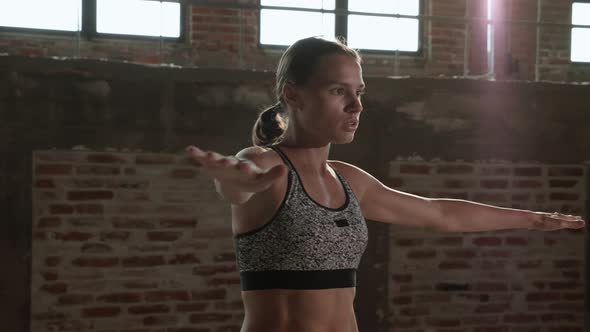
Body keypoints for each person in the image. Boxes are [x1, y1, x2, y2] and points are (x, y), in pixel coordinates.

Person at [185, 36, 586, 332]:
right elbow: (241, 187)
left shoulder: (349, 181)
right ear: (295, 94)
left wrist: (535, 220)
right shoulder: (263, 164)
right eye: (338, 91)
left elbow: (439, 213)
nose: (357, 106)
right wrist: (234, 184)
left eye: (358, 93)